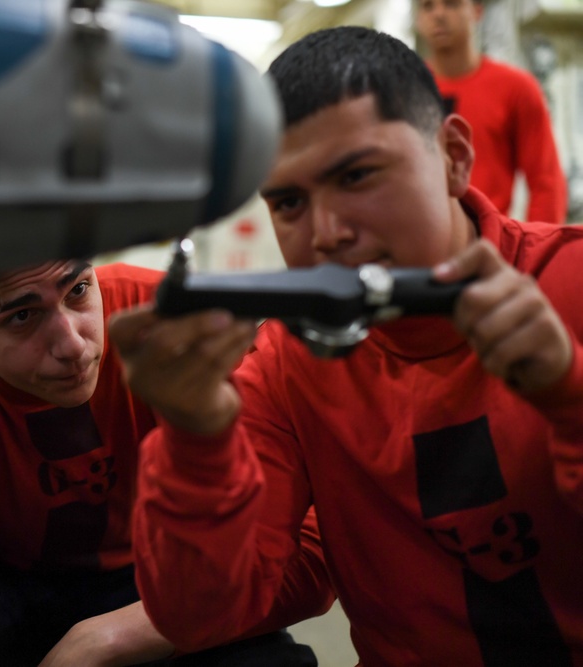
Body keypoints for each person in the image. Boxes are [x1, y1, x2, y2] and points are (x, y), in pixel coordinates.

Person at [112, 26, 583, 665]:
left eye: (358, 175)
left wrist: (568, 393)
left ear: (453, 156)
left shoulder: (571, 283)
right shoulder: (286, 364)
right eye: (288, 202)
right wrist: (195, 442)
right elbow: (201, 616)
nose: (327, 234)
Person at [0, 259, 333, 666]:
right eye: (22, 315)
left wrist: (108, 639)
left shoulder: (169, 324)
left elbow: (313, 549)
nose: (72, 343)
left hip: (165, 590)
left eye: (78, 291)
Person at [414, 0, 567, 224]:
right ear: (418, 19)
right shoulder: (404, 89)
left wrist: (533, 253)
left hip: (489, 244)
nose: (439, 15)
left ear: (476, 12)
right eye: (428, 6)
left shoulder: (516, 88)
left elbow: (547, 182)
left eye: (451, 4)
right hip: (418, 244)